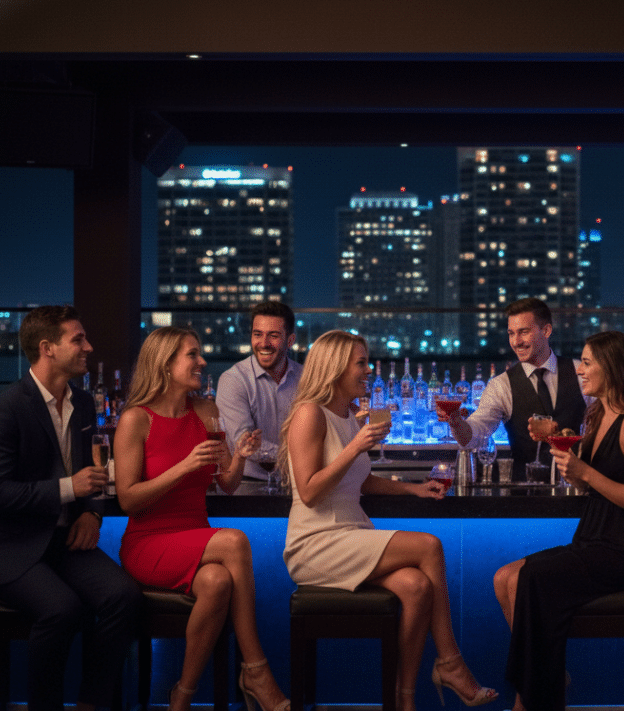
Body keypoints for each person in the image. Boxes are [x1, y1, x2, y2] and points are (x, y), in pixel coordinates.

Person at [280, 330, 496, 711]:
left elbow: (359, 479)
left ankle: (404, 699)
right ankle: (450, 663)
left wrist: (415, 489)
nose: (369, 370)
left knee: (415, 586)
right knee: (429, 545)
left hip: (351, 534)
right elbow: (310, 491)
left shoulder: (348, 414)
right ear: (334, 367)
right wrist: (356, 446)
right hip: (315, 542)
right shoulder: (309, 413)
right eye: (361, 363)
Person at [0, 305, 141, 711]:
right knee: (62, 608)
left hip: (60, 542)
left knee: (123, 595)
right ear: (47, 349)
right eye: (78, 339)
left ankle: (92, 705)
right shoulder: (2, 408)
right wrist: (66, 489)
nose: (89, 347)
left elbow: (94, 470)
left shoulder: (83, 404)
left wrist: (92, 512)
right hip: (6, 548)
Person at [114, 326, 289, 711]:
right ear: (165, 363)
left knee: (217, 580)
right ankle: (256, 669)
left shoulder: (206, 412)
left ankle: (182, 696)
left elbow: (226, 484)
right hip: (149, 542)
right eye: (192, 354)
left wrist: (239, 454)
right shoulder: (135, 420)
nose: (202, 362)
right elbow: (127, 499)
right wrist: (183, 466)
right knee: (235, 541)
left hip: (195, 536)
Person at [494, 330, 624, 711]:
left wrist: (585, 474)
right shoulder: (598, 413)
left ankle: (531, 699)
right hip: (594, 537)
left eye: (587, 362)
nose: (579, 370)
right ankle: (548, 679)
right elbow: (595, 481)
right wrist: (573, 464)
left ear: (613, 368)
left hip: (623, 548)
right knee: (504, 578)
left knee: (528, 578)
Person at [444, 297, 587, 482]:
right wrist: (456, 423)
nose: (516, 341)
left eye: (523, 332)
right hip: (524, 497)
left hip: (578, 492)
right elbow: (474, 435)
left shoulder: (580, 373)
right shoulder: (501, 385)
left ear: (546, 330)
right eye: (511, 333)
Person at [216, 301, 303, 482]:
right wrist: (305, 459)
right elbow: (244, 443)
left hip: (300, 482)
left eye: (273, 336)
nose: (264, 343)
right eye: (258, 334)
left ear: (290, 340)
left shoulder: (307, 378)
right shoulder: (233, 380)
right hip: (250, 484)